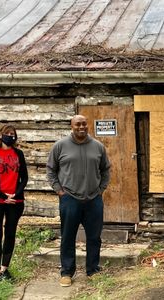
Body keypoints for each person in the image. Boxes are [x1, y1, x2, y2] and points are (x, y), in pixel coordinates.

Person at [46, 114, 110, 287]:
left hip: (93, 200)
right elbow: (51, 170)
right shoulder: (60, 146)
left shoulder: (98, 146)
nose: (81, 127)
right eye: (77, 125)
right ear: (71, 126)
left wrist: (100, 190)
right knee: (68, 236)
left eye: (84, 124)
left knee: (94, 237)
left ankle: (93, 270)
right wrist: (59, 190)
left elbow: (106, 170)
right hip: (70, 199)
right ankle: (67, 272)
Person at [0, 125, 28, 280]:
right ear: (0, 135)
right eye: (7, 133)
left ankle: (4, 269)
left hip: (15, 200)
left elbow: (25, 177)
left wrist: (15, 194)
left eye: (13, 134)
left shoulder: (18, 154)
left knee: (10, 233)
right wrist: (2, 195)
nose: (10, 136)